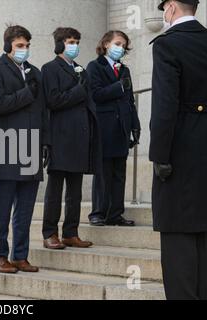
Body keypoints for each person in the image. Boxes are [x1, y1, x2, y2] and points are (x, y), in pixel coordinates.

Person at [150, 0, 207, 300]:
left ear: (170, 7)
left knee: (179, 244)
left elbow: (164, 108)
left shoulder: (167, 45)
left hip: (180, 155)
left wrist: (159, 156)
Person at [0, 25, 50, 274]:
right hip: (9, 143)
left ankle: (20, 255)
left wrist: (46, 143)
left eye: (27, 45)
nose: (24, 50)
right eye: (20, 45)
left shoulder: (35, 73)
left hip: (32, 144)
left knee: (26, 206)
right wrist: (26, 93)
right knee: (3, 204)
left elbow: (44, 111)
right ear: (8, 45)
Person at [41, 27, 99, 250]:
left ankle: (71, 232)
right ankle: (50, 232)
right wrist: (78, 92)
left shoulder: (81, 70)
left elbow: (88, 101)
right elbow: (53, 100)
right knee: (55, 191)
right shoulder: (50, 69)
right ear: (59, 44)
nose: (74, 45)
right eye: (70, 41)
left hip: (80, 138)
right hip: (60, 137)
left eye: (77, 41)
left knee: (75, 191)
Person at [86, 30, 141, 227]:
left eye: (124, 45)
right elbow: (95, 94)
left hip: (122, 127)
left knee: (119, 172)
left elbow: (130, 101)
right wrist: (118, 87)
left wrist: (135, 125)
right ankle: (98, 212)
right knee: (103, 172)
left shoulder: (124, 70)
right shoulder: (95, 66)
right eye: (118, 43)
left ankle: (115, 214)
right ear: (107, 44)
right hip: (104, 127)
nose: (121, 48)